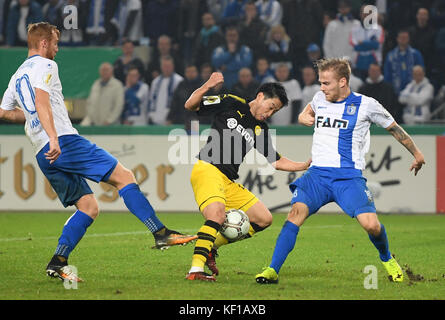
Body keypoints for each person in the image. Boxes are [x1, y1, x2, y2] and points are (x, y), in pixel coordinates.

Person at [0, 22, 197, 283]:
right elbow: (41, 101)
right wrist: (54, 136)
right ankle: (160, 233)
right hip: (63, 142)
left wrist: (39, 126)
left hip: (41, 152)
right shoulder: (45, 65)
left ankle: (58, 261)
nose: (57, 49)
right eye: (56, 43)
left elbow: (5, 113)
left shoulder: (17, 76)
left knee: (89, 207)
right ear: (44, 43)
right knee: (124, 177)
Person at [255, 57, 425, 285]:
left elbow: (394, 129)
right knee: (295, 214)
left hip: (348, 178)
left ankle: (386, 257)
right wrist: (303, 117)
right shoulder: (319, 98)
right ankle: (272, 270)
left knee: (372, 225)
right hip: (317, 176)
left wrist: (417, 154)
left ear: (343, 82)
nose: (321, 88)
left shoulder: (367, 105)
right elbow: (305, 113)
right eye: (320, 83)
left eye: (326, 83)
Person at [183, 72, 311, 281]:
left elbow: (276, 161)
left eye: (275, 111)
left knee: (264, 218)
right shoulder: (231, 102)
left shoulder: (260, 129)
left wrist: (304, 164)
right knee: (216, 215)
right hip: (208, 168)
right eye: (271, 107)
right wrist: (208, 84)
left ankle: (209, 246)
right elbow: (190, 105)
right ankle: (195, 270)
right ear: (260, 96)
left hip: (228, 181)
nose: (270, 113)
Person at [384, 30, 425, 96]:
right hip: (395, 91)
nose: (403, 40)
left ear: (408, 39)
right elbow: (387, 74)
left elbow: (421, 71)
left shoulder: (415, 54)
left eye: (405, 38)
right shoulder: (391, 55)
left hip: (413, 91)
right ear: (397, 39)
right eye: (401, 38)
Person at [211, 25, 253, 89]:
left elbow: (246, 64)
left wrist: (227, 67)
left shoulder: (245, 49)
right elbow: (215, 62)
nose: (232, 38)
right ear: (226, 37)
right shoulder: (219, 49)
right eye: (230, 35)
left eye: (234, 35)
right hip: (224, 84)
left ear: (238, 36)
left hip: (240, 85)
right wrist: (229, 53)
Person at [147, 55, 184, 125]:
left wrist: (173, 118)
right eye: (164, 66)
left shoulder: (179, 81)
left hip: (171, 120)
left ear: (173, 66)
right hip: (156, 119)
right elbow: (151, 100)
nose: (166, 68)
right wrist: (151, 115)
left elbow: (180, 103)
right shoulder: (155, 82)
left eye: (168, 66)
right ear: (161, 67)